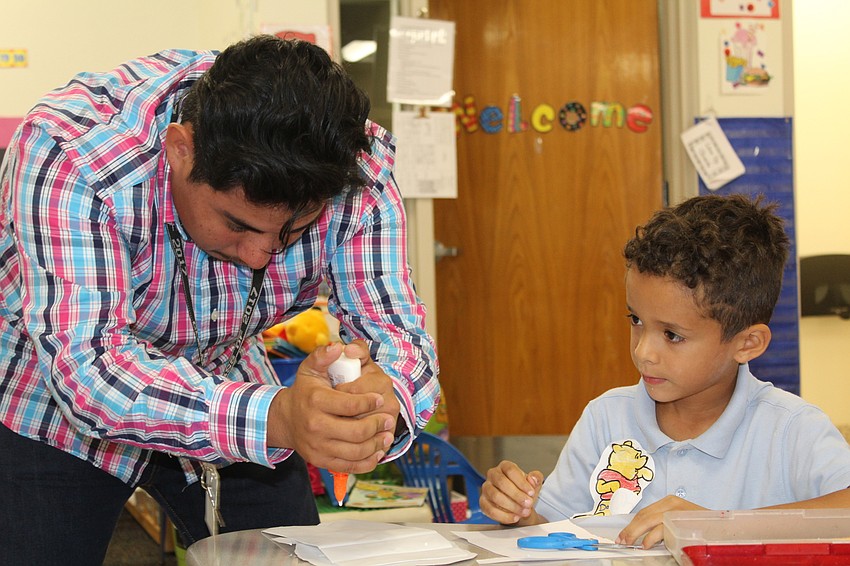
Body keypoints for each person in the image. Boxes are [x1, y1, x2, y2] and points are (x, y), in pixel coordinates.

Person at [0, 36, 440, 564]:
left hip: (226, 374)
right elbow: (91, 370)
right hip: (51, 401)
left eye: (294, 230)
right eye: (237, 223)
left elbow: (401, 337)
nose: (259, 256)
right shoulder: (72, 153)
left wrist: (376, 407)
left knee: (290, 557)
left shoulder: (355, 167)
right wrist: (279, 419)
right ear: (180, 150)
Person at [479, 194, 850, 548]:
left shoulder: (791, 429)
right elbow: (555, 530)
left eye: (672, 335)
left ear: (747, 343)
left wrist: (720, 526)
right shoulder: (605, 418)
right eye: (636, 320)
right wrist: (518, 513)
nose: (644, 352)